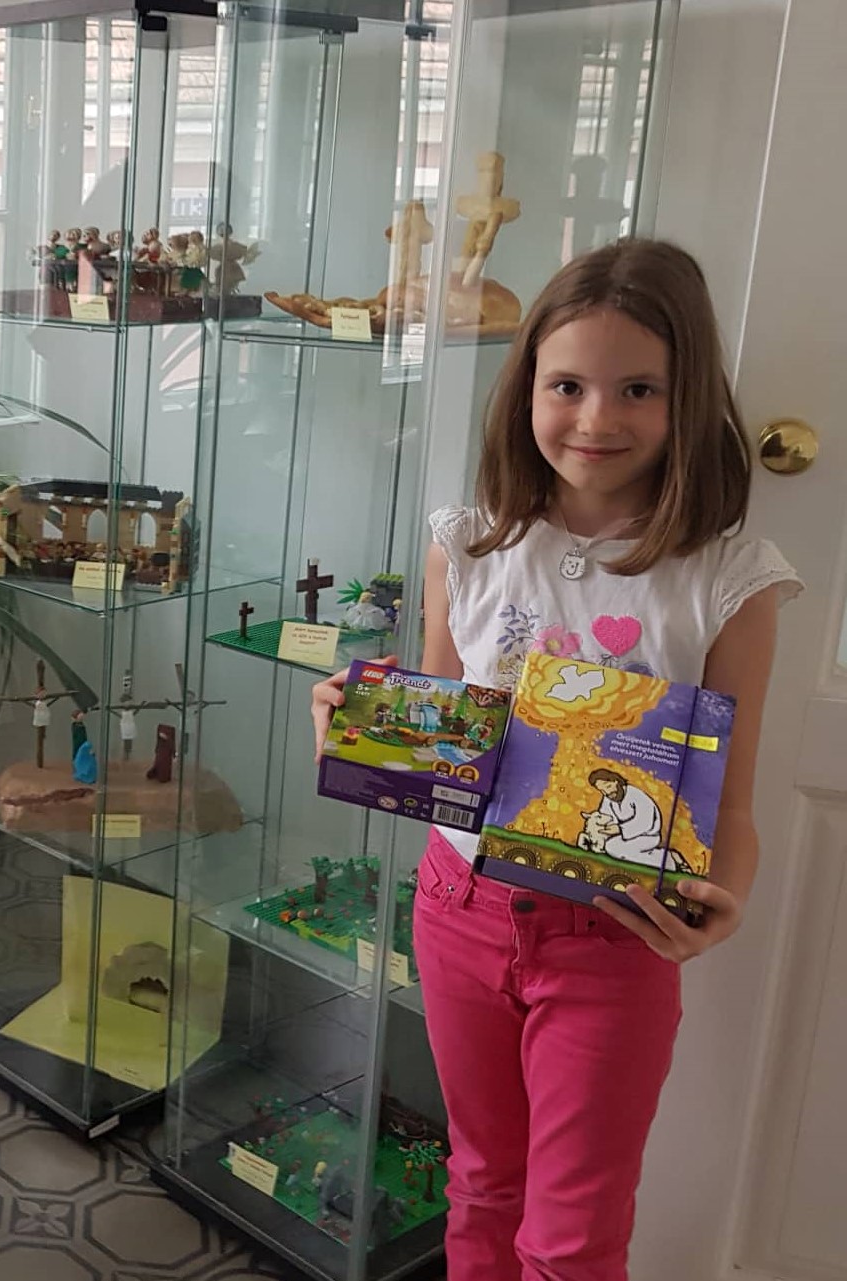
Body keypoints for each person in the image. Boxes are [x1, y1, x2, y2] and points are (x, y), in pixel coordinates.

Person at [311, 239, 801, 1280]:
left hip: (616, 933)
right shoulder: (469, 544)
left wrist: (724, 901)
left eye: (638, 389)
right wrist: (361, 727)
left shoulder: (729, 580)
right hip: (459, 907)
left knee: (571, 1237)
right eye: (567, 385)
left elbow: (732, 806)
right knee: (483, 1181)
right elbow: (442, 747)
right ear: (525, 388)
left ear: (687, 398)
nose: (596, 418)